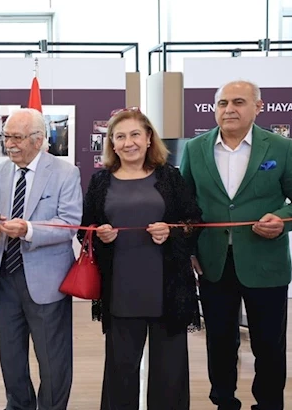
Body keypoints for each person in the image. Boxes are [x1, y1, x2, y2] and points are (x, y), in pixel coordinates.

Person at [180, 80, 292, 410]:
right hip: (212, 261)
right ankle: (224, 402)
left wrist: (283, 220)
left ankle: (269, 404)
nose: (229, 109)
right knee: (220, 342)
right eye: (222, 103)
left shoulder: (280, 148)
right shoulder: (195, 149)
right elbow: (184, 204)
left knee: (268, 343)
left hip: (266, 263)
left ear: (257, 107)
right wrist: (190, 248)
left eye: (238, 102)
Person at [80, 108, 202, 410]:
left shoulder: (170, 178)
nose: (128, 142)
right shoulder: (100, 182)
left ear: (149, 138)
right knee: (120, 373)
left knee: (170, 374)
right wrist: (99, 234)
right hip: (120, 291)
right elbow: (85, 229)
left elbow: (194, 222)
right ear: (111, 142)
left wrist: (171, 231)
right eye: (120, 136)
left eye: (135, 134)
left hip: (168, 290)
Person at [0, 107, 82, 410]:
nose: (9, 144)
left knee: (52, 359)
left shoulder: (65, 173)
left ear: (38, 138)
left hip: (48, 282)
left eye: (17, 137)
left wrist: (28, 229)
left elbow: (70, 222)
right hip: (5, 277)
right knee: (11, 356)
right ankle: (18, 405)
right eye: (6, 137)